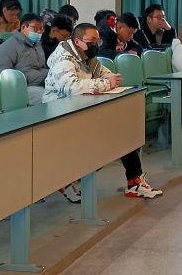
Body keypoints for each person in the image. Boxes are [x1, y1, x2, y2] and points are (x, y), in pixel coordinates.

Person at [44, 23, 162, 199]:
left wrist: (108, 78)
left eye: (98, 40)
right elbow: (73, 88)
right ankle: (70, 180)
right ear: (77, 41)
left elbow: (104, 72)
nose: (96, 44)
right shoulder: (63, 59)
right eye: (92, 40)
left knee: (123, 133)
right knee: (107, 139)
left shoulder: (87, 56)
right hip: (61, 112)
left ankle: (134, 182)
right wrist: (106, 84)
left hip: (82, 108)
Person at [0, 13, 48, 104]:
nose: (39, 32)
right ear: (23, 27)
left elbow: (41, 67)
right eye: (35, 28)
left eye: (41, 29)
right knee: (46, 97)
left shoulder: (37, 45)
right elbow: (4, 76)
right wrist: (34, 78)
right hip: (23, 88)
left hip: (42, 83)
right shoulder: (8, 47)